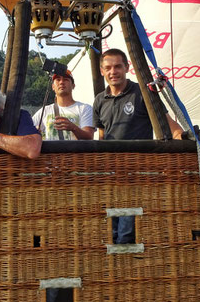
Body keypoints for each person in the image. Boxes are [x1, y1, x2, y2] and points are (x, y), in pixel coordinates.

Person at [93, 48, 184, 244]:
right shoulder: (100, 100)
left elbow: (167, 122)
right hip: (110, 171)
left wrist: (183, 138)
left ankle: (126, 267)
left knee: (127, 230)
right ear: (102, 71)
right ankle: (115, 268)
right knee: (111, 226)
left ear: (127, 67)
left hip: (135, 170)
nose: (113, 72)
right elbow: (102, 135)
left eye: (118, 66)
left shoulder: (142, 93)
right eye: (108, 68)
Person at [32, 70, 94, 140]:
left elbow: (89, 137)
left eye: (66, 79)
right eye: (58, 79)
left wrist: (73, 128)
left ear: (73, 86)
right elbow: (27, 131)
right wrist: (34, 133)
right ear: (53, 87)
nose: (61, 82)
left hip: (75, 151)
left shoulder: (85, 108)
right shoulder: (44, 111)